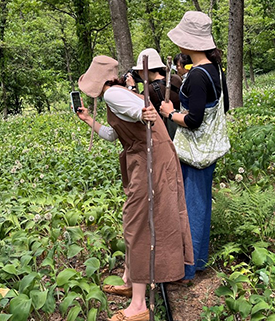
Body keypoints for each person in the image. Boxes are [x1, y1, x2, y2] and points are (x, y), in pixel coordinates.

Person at [76, 55, 193, 321]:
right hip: (145, 157)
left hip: (150, 158)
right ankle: (132, 281)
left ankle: (139, 306)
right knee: (135, 219)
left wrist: (144, 113)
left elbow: (139, 114)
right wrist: (86, 119)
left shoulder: (113, 97)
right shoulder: (118, 94)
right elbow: (111, 133)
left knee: (138, 223)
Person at [159, 11, 229, 282]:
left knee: (191, 208)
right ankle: (196, 262)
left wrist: (169, 112)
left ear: (190, 43)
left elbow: (194, 120)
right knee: (198, 206)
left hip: (195, 153)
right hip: (206, 151)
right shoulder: (214, 69)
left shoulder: (198, 75)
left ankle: (187, 269)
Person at [125, 48, 182, 139]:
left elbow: (138, 108)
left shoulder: (150, 90)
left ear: (144, 71)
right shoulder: (176, 78)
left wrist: (132, 87)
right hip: (181, 128)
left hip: (167, 134)